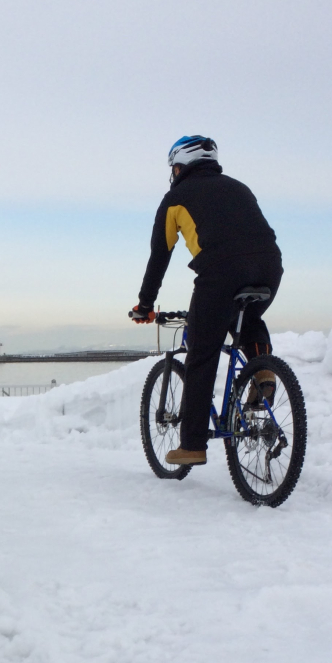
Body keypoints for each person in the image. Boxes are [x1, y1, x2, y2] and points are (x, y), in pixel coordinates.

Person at [131, 136, 282, 466]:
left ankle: (193, 444)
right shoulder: (239, 187)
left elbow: (160, 256)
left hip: (221, 273)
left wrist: (145, 305)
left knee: (202, 352)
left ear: (180, 165)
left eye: (173, 167)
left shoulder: (175, 198)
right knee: (248, 316)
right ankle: (263, 373)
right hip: (270, 267)